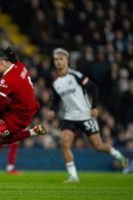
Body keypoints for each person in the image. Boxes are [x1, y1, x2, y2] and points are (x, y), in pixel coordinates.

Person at [47, 48, 129, 183]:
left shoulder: (76, 75)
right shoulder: (56, 83)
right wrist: (52, 110)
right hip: (70, 117)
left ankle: (119, 156)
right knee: (64, 143)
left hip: (85, 115)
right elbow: (56, 100)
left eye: (61, 59)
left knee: (98, 146)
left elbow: (93, 88)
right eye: (56, 60)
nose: (58, 62)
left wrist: (94, 106)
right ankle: (73, 176)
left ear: (67, 61)